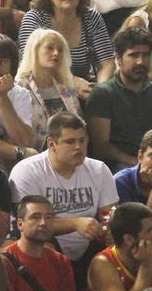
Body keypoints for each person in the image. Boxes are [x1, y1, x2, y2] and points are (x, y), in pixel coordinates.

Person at [8, 113, 117, 267]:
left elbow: (109, 214)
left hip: (89, 242)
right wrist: (74, 224)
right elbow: (30, 225)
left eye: (82, 140)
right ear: (51, 144)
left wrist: (109, 231)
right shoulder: (27, 171)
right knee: (42, 244)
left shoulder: (99, 169)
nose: (78, 147)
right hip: (46, 241)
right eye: (70, 142)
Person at [87, 27, 152, 170]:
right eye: (134, 55)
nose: (141, 62)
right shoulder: (103, 94)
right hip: (119, 166)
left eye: (146, 55)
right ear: (118, 59)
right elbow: (102, 147)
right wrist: (138, 163)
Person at [18, 0, 117, 91]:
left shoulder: (91, 17)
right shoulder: (34, 18)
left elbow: (107, 63)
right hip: (41, 89)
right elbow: (34, 63)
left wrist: (100, 90)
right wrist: (72, 83)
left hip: (84, 87)